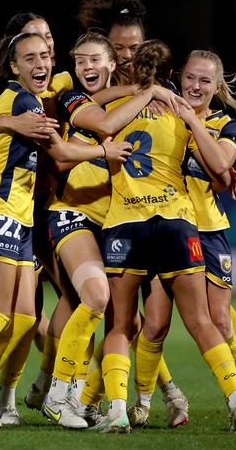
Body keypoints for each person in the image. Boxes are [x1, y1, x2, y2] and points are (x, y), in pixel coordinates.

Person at [0, 32, 132, 432]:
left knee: (21, 319)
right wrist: (12, 122)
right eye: (30, 58)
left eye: (45, 56)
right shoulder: (16, 98)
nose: (41, 64)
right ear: (14, 65)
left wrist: (105, 146)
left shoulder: (34, 99)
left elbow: (65, 145)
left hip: (19, 220)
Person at [95, 39, 236, 434]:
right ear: (175, 77)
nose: (195, 86)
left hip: (192, 227)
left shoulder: (215, 122)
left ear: (217, 87)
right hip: (178, 226)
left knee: (213, 318)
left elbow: (221, 166)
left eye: (204, 81)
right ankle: (155, 402)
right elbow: (219, 170)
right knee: (160, 324)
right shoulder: (173, 113)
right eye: (189, 78)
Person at [39, 32, 183, 429]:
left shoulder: (131, 100)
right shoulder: (69, 94)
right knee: (93, 296)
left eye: (95, 60)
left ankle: (82, 394)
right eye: (80, 59)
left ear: (110, 65)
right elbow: (66, 155)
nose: (88, 67)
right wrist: (148, 92)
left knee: (130, 323)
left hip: (117, 223)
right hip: (72, 214)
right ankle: (57, 393)